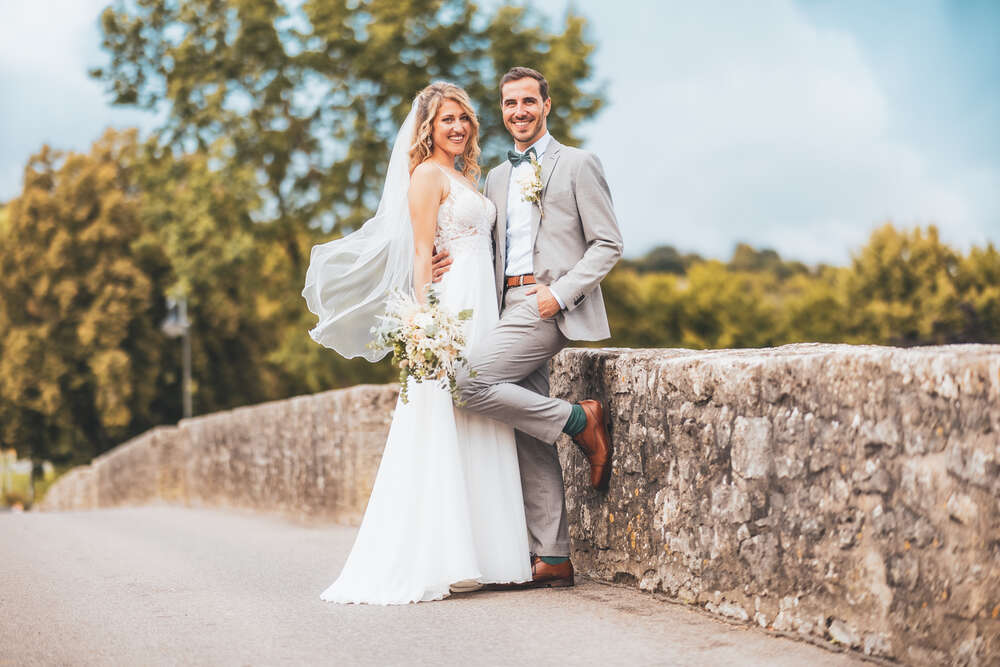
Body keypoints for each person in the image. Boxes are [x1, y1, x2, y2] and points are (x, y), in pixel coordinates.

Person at [302, 82, 532, 604]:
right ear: (428, 127)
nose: (458, 127)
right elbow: (422, 253)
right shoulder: (427, 175)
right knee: (446, 415)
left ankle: (488, 554)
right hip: (453, 308)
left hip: (484, 307)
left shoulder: (465, 176)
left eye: (463, 118)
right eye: (447, 119)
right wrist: (427, 325)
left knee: (482, 414)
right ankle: (445, 556)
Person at [440, 67, 624, 589]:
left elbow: (608, 244)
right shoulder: (497, 177)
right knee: (526, 427)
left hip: (547, 305)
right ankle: (555, 555)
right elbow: (480, 243)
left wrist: (559, 294)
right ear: (502, 111)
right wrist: (438, 259)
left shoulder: (579, 164)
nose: (518, 111)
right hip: (502, 305)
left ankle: (580, 419)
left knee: (467, 383)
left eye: (527, 101)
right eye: (509, 103)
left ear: (546, 105)